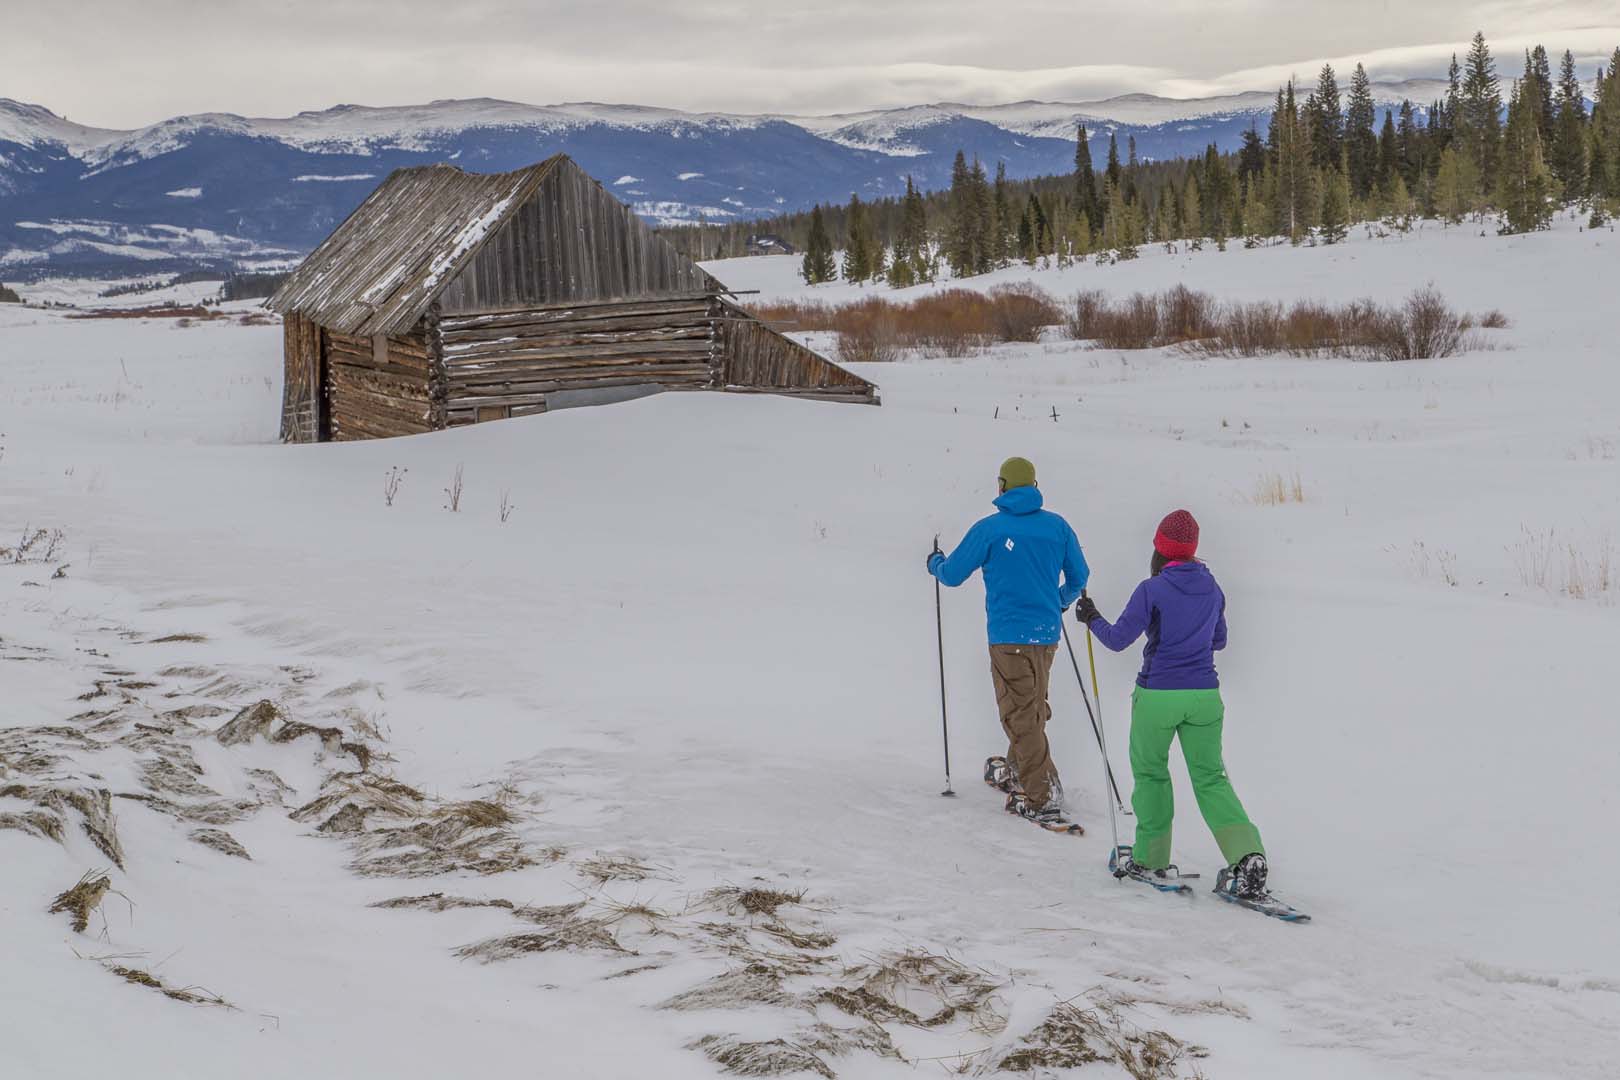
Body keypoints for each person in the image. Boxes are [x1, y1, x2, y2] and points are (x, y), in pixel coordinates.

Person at [1073, 509, 1270, 899]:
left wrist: (1091, 617)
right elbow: (1219, 641)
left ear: (1160, 549)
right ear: (1193, 549)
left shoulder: (1152, 590)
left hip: (1158, 695)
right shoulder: (1212, 588)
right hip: (1205, 696)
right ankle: (1247, 855)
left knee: (1151, 775)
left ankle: (1150, 857)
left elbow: (1116, 640)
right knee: (1212, 778)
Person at [927, 457, 1089, 824]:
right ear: (1033, 485)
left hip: (1007, 636)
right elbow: (1080, 576)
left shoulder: (990, 529)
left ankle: (1042, 793)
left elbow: (952, 575)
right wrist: (1058, 602)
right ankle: (1019, 768)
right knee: (1030, 706)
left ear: (1002, 486)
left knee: (1019, 714)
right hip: (1046, 635)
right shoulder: (1058, 527)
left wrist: (935, 563)